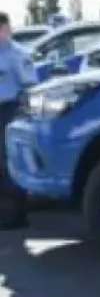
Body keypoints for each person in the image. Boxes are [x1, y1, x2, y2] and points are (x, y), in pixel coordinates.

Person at [0, 12, 37, 230]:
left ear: (7, 29)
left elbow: (30, 85)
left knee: (10, 162)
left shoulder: (18, 55)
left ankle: (17, 214)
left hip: (10, 109)